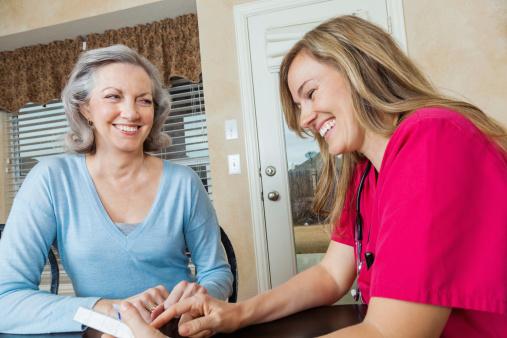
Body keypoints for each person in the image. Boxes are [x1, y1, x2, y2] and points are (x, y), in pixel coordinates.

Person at [117, 15, 507, 338]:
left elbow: (391, 332)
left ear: (361, 68)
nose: (304, 119)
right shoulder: (365, 173)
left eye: (311, 93)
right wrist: (235, 313)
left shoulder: (432, 138)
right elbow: (330, 275)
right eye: (299, 104)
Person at [0, 44, 233, 334]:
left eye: (144, 101)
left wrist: (197, 302)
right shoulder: (50, 180)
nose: (131, 112)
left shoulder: (184, 182)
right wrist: (106, 310)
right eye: (113, 96)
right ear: (85, 108)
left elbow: (217, 271)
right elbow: (6, 299)